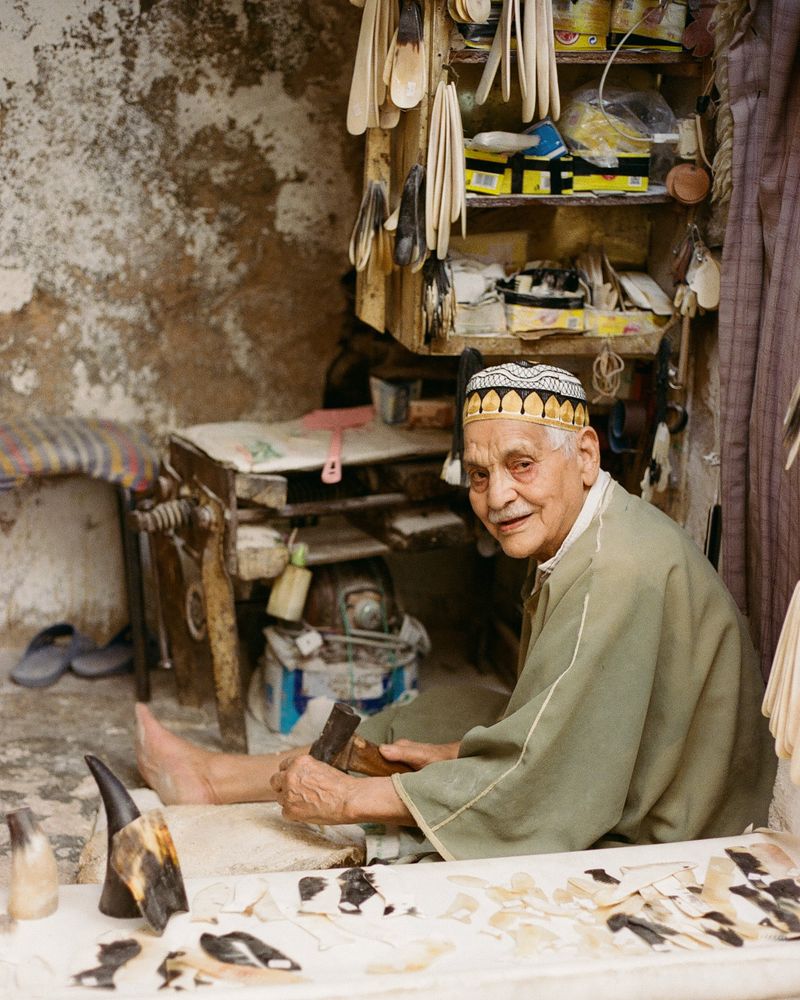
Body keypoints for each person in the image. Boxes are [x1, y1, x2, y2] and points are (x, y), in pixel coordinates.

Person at [136, 362, 776, 861]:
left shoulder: (615, 570)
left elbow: (543, 787)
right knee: (440, 717)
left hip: (676, 823)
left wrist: (353, 799)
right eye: (478, 475)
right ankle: (216, 780)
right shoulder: (592, 526)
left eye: (521, 465)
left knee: (443, 809)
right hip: (632, 758)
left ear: (585, 455)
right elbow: (564, 712)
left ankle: (223, 781)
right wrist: (451, 757)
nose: (499, 496)